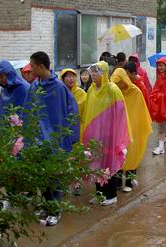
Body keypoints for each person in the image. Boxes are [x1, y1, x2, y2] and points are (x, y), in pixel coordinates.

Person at [24, 51, 79, 226]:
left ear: (40, 66)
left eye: (32, 66)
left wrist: (70, 138)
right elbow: (28, 111)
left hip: (56, 139)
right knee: (42, 174)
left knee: (55, 175)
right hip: (38, 139)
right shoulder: (34, 86)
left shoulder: (58, 87)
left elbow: (71, 112)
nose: (30, 69)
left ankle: (55, 209)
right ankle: (46, 205)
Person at [82, 61, 131, 206]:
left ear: (104, 73)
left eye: (97, 71)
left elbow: (120, 112)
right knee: (96, 163)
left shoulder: (112, 89)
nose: (93, 74)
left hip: (109, 134)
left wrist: (116, 133)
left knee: (108, 163)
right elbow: (88, 110)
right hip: (94, 134)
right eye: (92, 71)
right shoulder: (91, 89)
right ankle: (99, 194)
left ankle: (111, 195)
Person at [111, 68, 152, 193]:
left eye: (120, 82)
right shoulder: (114, 92)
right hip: (118, 127)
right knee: (117, 153)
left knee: (131, 153)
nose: (118, 85)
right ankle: (117, 181)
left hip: (133, 127)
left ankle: (129, 181)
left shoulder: (136, 92)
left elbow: (141, 111)